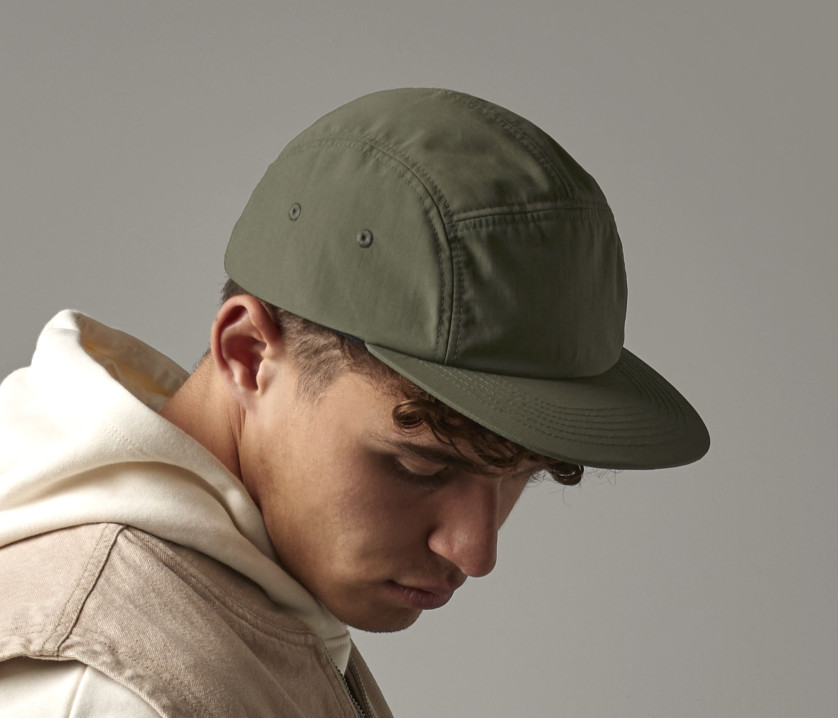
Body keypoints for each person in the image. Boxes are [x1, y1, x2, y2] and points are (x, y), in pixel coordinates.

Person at [0, 88, 709, 716]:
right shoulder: (108, 690)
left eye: (520, 473)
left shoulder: (252, 595)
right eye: (422, 467)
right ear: (249, 354)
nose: (474, 550)